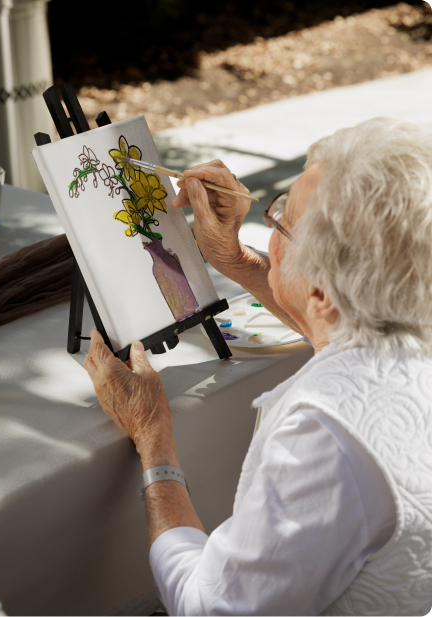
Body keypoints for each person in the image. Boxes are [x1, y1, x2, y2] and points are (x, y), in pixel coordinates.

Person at [84, 118, 432, 616]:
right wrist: (232, 256)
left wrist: (153, 432)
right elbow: (336, 319)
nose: (268, 227)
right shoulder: (407, 318)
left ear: (319, 290)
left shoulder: (322, 435)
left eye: (279, 221)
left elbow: (210, 608)